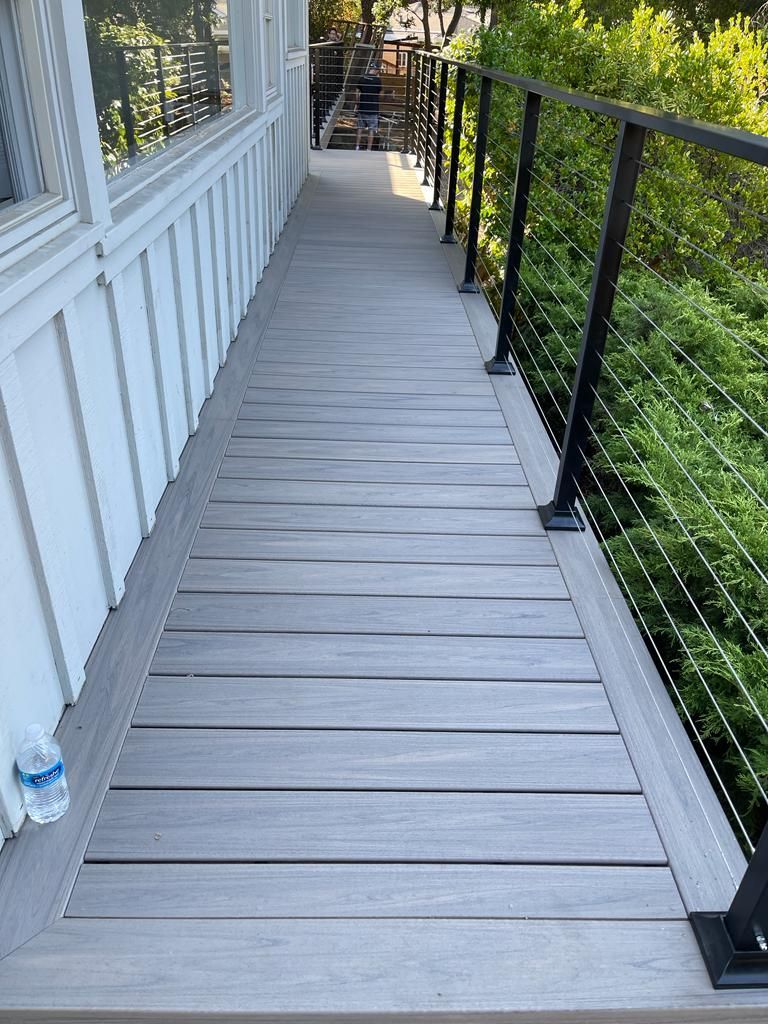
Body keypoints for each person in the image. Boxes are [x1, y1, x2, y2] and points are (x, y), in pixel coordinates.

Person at [355, 63, 382, 151]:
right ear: (377, 70)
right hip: (373, 108)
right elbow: (379, 93)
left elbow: (357, 92)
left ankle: (357, 147)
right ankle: (369, 149)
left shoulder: (362, 78)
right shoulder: (377, 80)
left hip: (362, 106)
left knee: (360, 128)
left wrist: (357, 103)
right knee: (371, 129)